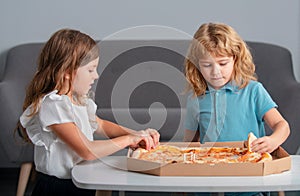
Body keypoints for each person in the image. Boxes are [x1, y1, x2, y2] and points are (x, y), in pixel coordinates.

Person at [18, 29, 160, 196]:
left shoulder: (79, 101)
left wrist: (138, 134)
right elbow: (87, 150)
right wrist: (128, 139)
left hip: (80, 181)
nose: (96, 75)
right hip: (59, 189)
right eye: (91, 69)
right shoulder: (53, 106)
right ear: (68, 73)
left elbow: (101, 125)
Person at [183, 23, 290, 196]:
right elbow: (189, 144)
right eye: (207, 65)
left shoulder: (254, 90)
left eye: (222, 63)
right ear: (196, 65)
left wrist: (273, 141)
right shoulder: (196, 98)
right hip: (209, 183)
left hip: (250, 181)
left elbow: (281, 124)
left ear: (236, 58)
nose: (215, 72)